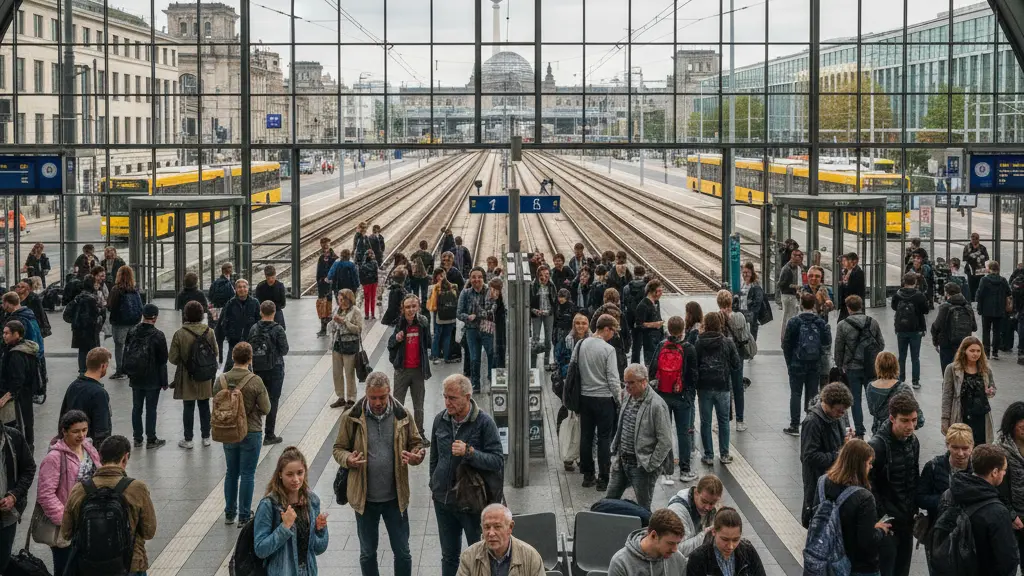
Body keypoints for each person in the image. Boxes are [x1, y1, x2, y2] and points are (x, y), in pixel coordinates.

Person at [333, 372, 424, 576]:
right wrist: (348, 459)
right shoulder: (352, 417)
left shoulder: (403, 415)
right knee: (367, 553)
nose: (377, 402)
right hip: (364, 500)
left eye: (382, 397)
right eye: (373, 397)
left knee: (403, 552)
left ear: (389, 392)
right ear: (366, 394)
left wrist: (417, 456)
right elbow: (338, 448)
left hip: (396, 498)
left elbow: (416, 443)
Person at [429, 375, 504, 576]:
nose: (447, 403)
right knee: (449, 556)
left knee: (479, 555)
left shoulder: (484, 423)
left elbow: (497, 460)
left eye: (452, 398)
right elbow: (434, 458)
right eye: (445, 397)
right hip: (443, 501)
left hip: (472, 503)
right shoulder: (440, 420)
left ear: (467, 396)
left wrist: (469, 452)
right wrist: (433, 482)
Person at [60, 435, 157, 576]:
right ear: (125, 458)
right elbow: (149, 532)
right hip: (130, 564)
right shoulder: (137, 488)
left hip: (89, 567)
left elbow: (66, 533)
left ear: (100, 457)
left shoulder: (80, 489)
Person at [937, 444, 1020, 576]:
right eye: (1003, 469)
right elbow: (1007, 559)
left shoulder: (949, 493)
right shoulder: (997, 511)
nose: (1004, 473)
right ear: (994, 472)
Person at [810, 439, 890, 576]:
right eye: (869, 463)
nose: (871, 467)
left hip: (826, 562)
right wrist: (880, 530)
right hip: (858, 567)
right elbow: (866, 541)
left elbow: (811, 518)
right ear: (859, 465)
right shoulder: (864, 497)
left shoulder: (822, 482)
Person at [35, 410, 100, 576]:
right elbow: (45, 494)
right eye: (76, 431)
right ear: (64, 431)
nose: (81, 435)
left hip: (89, 519)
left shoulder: (89, 448)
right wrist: (65, 520)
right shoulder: (54, 458)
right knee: (66, 569)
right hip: (67, 523)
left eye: (84, 430)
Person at [868, 392, 921, 576]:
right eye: (905, 421)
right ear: (892, 418)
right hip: (887, 524)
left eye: (913, 420)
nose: (911, 426)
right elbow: (868, 484)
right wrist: (882, 516)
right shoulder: (877, 446)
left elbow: (913, 476)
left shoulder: (913, 442)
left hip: (907, 522)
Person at [254, 447, 330, 574]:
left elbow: (318, 549)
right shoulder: (269, 505)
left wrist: (320, 530)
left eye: (300, 473)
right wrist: (284, 527)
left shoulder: (312, 500)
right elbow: (260, 549)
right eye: (289, 474)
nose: (296, 479)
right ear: (280, 474)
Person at [606, 364, 673, 510]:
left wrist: (650, 465)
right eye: (625, 382)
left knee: (643, 508)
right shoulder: (627, 395)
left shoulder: (657, 405)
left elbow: (666, 441)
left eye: (631, 383)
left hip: (641, 467)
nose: (627, 387)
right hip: (622, 462)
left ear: (644, 381)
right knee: (608, 501)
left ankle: (645, 531)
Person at [219, 342, 271, 526]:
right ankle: (243, 515)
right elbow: (266, 408)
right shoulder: (255, 381)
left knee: (231, 472)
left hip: (229, 430)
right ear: (250, 358)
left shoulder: (222, 379)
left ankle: (229, 513)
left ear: (233, 357)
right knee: (247, 473)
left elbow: (216, 399)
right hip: (252, 430)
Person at [648, 315, 698, 482]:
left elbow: (652, 368)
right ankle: (685, 471)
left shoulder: (662, 345)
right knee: (683, 433)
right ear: (683, 330)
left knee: (664, 433)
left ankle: (666, 472)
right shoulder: (689, 348)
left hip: (663, 395)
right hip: (682, 396)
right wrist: (690, 394)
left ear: (668, 329)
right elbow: (693, 374)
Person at [917, 422, 974, 567]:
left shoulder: (978, 468)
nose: (960, 454)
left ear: (972, 446)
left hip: (970, 536)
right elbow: (920, 497)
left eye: (965, 448)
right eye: (955, 447)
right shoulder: (934, 466)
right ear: (947, 445)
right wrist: (945, 500)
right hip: (938, 535)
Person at [577, 314, 623, 491]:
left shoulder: (582, 344)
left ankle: (588, 475)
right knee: (604, 438)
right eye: (613, 331)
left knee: (586, 436)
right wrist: (619, 399)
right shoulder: (608, 350)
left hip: (585, 397)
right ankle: (603, 478)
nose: (613, 335)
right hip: (604, 399)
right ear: (606, 329)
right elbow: (612, 378)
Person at [799, 382, 854, 527]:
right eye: (839, 411)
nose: (842, 415)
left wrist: (846, 441)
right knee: (818, 516)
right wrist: (839, 455)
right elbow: (808, 456)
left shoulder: (838, 416)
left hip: (835, 475)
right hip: (818, 479)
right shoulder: (812, 422)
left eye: (844, 412)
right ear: (827, 404)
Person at [170, 301, 219, 449]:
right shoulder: (209, 331)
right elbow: (215, 352)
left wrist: (185, 361)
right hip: (204, 375)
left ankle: (188, 439)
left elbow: (172, 358)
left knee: (188, 406)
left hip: (187, 375)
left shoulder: (179, 333)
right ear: (201, 315)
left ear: (186, 315)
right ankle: (206, 437)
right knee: (204, 406)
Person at [834, 295, 884, 437]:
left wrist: (840, 365)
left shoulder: (842, 325)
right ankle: (877, 428)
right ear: (861, 306)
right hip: (870, 366)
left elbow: (839, 348)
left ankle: (859, 430)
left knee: (855, 400)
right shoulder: (872, 322)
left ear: (848, 307)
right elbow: (881, 343)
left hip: (852, 367)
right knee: (873, 398)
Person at [695, 311, 740, 463]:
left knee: (705, 422)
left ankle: (708, 455)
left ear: (705, 325)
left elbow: (695, 364)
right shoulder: (727, 342)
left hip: (704, 387)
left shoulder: (699, 342)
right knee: (723, 421)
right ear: (719, 324)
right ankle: (725, 454)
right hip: (723, 386)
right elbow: (736, 364)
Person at [783, 293, 831, 436]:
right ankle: (811, 423)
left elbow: (786, 344)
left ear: (801, 304)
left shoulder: (794, 322)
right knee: (812, 393)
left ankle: (794, 425)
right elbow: (826, 342)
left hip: (796, 363)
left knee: (796, 393)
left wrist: (789, 362)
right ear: (814, 305)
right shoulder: (820, 322)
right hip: (814, 363)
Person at [456, 503, 545, 576]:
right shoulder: (468, 557)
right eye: (486, 527)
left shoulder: (531, 557)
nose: (491, 533)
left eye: (497, 527)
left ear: (510, 527)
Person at [388, 295, 432, 443]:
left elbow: (428, 343)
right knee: (397, 403)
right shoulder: (399, 323)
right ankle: (397, 432)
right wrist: (397, 339)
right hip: (402, 370)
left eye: (414, 306)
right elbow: (390, 345)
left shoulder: (423, 322)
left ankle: (419, 434)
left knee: (419, 405)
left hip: (418, 370)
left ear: (418, 307)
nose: (411, 309)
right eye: (408, 307)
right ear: (403, 309)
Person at [125, 304, 168, 449]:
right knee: (151, 408)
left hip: (136, 376)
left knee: (136, 407)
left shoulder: (132, 332)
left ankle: (137, 438)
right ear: (155, 317)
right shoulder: (158, 335)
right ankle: (151, 439)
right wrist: (164, 381)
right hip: (152, 377)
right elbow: (163, 360)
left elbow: (126, 352)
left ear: (143, 315)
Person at [941, 336, 996, 446]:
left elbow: (992, 387)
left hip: (981, 417)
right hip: (961, 416)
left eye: (978, 351)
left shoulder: (986, 369)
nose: (975, 354)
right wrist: (945, 419)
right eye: (972, 350)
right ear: (964, 351)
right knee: (962, 447)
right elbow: (947, 396)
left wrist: (990, 391)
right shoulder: (952, 369)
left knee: (980, 449)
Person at [684, 507, 767, 576]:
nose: (730, 546)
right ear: (713, 531)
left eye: (735, 540)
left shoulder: (748, 550)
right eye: (725, 539)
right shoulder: (698, 558)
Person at [250, 301, 289, 446]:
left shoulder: (254, 328)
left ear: (261, 312)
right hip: (275, 368)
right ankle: (269, 434)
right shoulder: (278, 329)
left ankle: (255, 432)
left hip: (258, 369)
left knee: (257, 401)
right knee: (273, 400)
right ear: (273, 313)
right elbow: (284, 350)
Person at [607, 508, 688, 576]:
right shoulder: (621, 563)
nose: (675, 549)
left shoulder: (678, 559)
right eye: (670, 543)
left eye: (677, 543)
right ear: (654, 535)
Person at [60, 347, 112, 447]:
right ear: (103, 366)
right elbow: (102, 430)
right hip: (89, 449)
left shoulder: (73, 386)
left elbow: (63, 417)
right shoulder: (99, 394)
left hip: (71, 445)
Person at [0, 415, 33, 571]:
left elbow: (28, 468)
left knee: (3, 560)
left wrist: (14, 495)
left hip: (7, 518)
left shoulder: (13, 437)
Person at [865, 351, 925, 437]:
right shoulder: (903, 388)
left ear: (877, 367)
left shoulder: (870, 387)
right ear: (896, 366)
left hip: (878, 434)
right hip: (898, 435)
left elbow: (872, 411)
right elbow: (919, 419)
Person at [0, 320, 38, 446]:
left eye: (7, 333)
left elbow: (18, 380)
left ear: (16, 334)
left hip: (19, 396)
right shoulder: (26, 348)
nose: (4, 336)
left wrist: (6, 397)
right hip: (26, 393)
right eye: (3, 333)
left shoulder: (16, 354)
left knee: (20, 425)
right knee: (28, 424)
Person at [718, 290, 751, 432]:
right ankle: (740, 421)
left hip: (722, 357)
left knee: (724, 388)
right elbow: (745, 337)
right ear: (731, 302)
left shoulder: (717, 317)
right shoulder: (739, 317)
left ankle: (724, 419)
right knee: (738, 388)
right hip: (738, 355)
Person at [995, 402, 1024, 568]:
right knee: (1008, 564)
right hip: (1009, 519)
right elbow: (996, 490)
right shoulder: (1000, 451)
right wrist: (1011, 515)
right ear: (1012, 425)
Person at [888, 272, 929, 390]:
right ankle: (915, 381)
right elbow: (925, 310)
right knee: (915, 357)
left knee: (902, 356)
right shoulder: (919, 296)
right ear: (915, 282)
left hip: (901, 329)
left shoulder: (897, 294)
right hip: (916, 330)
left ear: (903, 282)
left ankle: (901, 379)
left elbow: (894, 307)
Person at [666, 475, 723, 557]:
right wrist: (706, 535)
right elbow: (676, 550)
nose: (707, 507)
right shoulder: (676, 511)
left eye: (712, 503)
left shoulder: (714, 506)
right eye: (704, 501)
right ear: (696, 493)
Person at [106, 265, 143, 380]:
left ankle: (120, 371)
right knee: (131, 345)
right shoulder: (135, 289)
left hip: (119, 322)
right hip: (134, 321)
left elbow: (110, 306)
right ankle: (131, 369)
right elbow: (140, 306)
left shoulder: (116, 289)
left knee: (119, 346)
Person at [931, 282, 977, 374]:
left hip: (946, 343)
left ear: (947, 293)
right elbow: (974, 327)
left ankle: (948, 388)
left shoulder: (945, 307)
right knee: (962, 370)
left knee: (947, 371)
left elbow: (936, 326)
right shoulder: (967, 307)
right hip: (964, 344)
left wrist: (935, 341)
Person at [329, 289, 364, 409]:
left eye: (343, 299)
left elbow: (358, 329)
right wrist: (333, 323)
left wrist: (344, 322)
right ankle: (340, 397)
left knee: (349, 373)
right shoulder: (336, 310)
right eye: (339, 299)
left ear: (349, 299)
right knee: (337, 373)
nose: (340, 301)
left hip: (349, 345)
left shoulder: (355, 311)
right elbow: (333, 326)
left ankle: (351, 398)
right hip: (337, 344)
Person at [460, 268, 492, 393]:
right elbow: (459, 312)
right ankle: (475, 384)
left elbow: (493, 310)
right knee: (474, 358)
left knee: (491, 355)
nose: (476, 280)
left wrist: (478, 315)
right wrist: (467, 317)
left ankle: (492, 382)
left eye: (479, 277)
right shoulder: (465, 293)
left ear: (483, 278)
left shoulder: (490, 291)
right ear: (470, 279)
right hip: (471, 330)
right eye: (473, 277)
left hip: (487, 328)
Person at [219, 278, 261, 373]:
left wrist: (255, 336)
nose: (242, 289)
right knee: (230, 365)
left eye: (244, 287)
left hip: (250, 340)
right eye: (239, 287)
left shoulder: (254, 303)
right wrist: (230, 335)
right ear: (235, 289)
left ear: (248, 288)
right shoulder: (230, 304)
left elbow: (259, 321)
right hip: (234, 341)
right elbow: (225, 322)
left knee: (250, 367)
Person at [63, 273, 102, 374]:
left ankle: (82, 372)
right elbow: (94, 316)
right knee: (92, 353)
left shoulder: (79, 297)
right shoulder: (92, 299)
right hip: (90, 331)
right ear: (93, 285)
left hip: (78, 330)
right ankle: (91, 373)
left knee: (82, 351)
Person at [975, 260, 1011, 358]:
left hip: (986, 309)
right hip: (999, 309)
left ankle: (986, 353)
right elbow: (1008, 292)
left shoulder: (984, 280)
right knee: (997, 331)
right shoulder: (1003, 280)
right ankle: (995, 352)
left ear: (989, 269)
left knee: (986, 331)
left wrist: (978, 305)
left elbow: (979, 294)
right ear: (998, 269)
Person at [530, 265, 557, 368]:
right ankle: (533, 366)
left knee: (548, 339)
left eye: (546, 275)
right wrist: (533, 310)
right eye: (541, 275)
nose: (544, 277)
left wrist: (551, 311)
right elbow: (529, 302)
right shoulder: (533, 286)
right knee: (535, 339)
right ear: (537, 276)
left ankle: (546, 363)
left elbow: (555, 302)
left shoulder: (552, 285)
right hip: (536, 314)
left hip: (548, 314)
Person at [634, 280, 665, 367]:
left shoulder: (656, 302)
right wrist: (654, 324)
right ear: (652, 291)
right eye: (659, 291)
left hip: (659, 337)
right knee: (651, 363)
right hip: (649, 340)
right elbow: (638, 324)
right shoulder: (643, 305)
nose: (661, 293)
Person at [777, 247, 805, 339]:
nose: (800, 262)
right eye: (799, 260)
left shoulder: (796, 267)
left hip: (793, 296)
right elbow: (781, 284)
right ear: (793, 258)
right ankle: (786, 337)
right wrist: (795, 286)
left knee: (792, 316)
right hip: (788, 296)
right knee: (788, 317)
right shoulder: (787, 269)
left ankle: (790, 336)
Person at [208, 262, 235, 352]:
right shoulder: (227, 282)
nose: (231, 269)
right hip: (223, 308)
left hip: (217, 308)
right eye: (229, 268)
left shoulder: (216, 282)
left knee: (217, 326)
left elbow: (210, 296)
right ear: (224, 270)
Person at [315, 238, 338, 337]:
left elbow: (336, 272)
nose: (325, 247)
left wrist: (330, 279)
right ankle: (323, 328)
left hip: (331, 285)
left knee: (329, 307)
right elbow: (318, 272)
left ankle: (329, 328)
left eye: (327, 245)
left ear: (329, 245)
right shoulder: (321, 258)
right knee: (322, 307)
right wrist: (320, 280)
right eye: (323, 245)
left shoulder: (334, 258)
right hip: (322, 286)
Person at [736, 262, 764, 341]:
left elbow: (759, 299)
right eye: (743, 272)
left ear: (751, 273)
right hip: (742, 310)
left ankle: (752, 348)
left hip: (752, 312)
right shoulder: (742, 283)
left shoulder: (755, 284)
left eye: (747, 273)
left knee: (752, 334)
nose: (745, 275)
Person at [837, 252, 866, 322]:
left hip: (853, 303)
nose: (843, 263)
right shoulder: (846, 271)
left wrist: (844, 284)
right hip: (846, 303)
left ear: (854, 261)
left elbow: (854, 289)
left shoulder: (858, 272)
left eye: (846, 260)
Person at [963, 232, 989, 300]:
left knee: (980, 286)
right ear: (971, 239)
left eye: (976, 238)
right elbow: (965, 258)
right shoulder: (967, 247)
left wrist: (976, 257)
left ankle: (979, 300)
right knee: (971, 286)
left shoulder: (983, 248)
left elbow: (987, 258)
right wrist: (977, 257)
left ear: (978, 239)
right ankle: (971, 300)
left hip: (980, 269)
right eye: (973, 238)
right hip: (970, 269)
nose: (974, 240)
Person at [359, 250, 380, 320]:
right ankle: (373, 314)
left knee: (367, 299)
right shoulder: (375, 263)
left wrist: (362, 283)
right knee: (373, 298)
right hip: (373, 282)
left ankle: (367, 315)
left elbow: (361, 275)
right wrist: (376, 281)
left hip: (366, 283)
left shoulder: (363, 264)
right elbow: (376, 273)